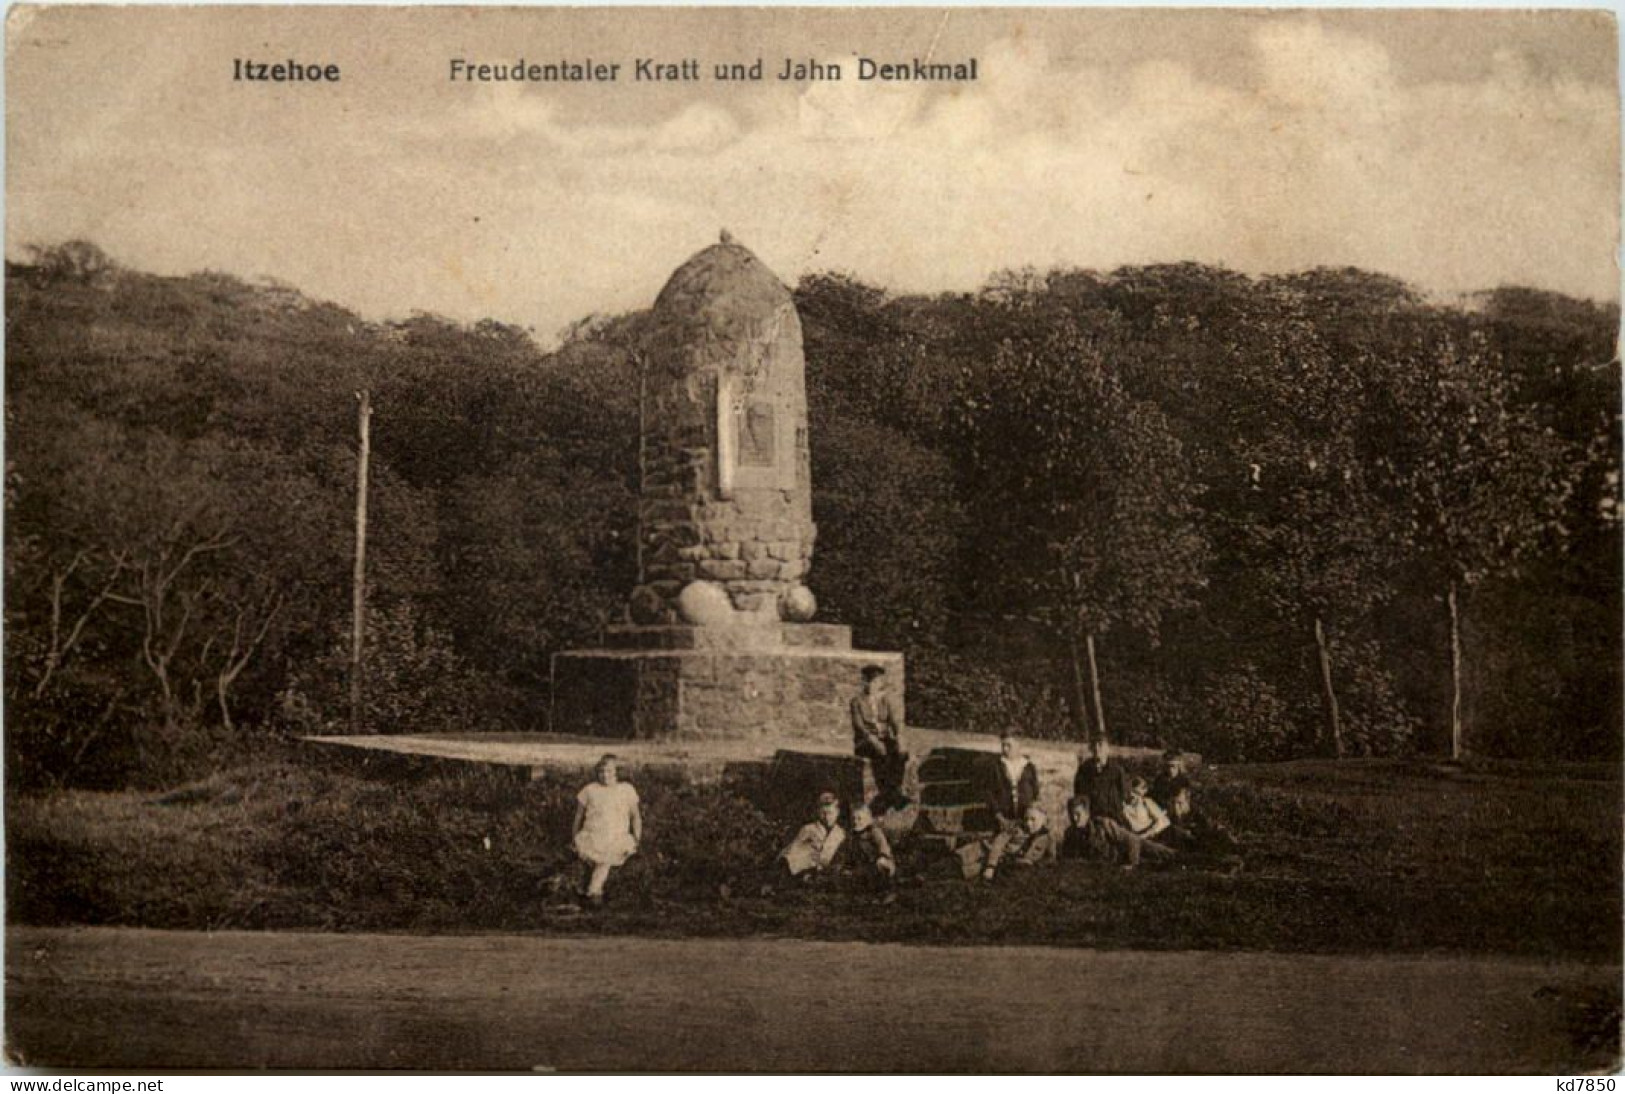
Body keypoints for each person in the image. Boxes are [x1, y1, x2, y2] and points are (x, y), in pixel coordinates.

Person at [572, 754, 642, 905]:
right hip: (593, 835)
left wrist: (637, 838)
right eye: (601, 772)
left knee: (606, 858)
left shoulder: (626, 789)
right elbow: (578, 817)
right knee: (596, 858)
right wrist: (575, 837)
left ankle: (593, 892)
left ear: (616, 772)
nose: (605, 775)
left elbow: (635, 816)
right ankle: (593, 892)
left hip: (617, 836)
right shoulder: (590, 790)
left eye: (609, 771)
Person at [1152, 750, 1240, 856]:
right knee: (1185, 832)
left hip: (1184, 807)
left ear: (1179, 766)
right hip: (1168, 811)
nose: (1170, 770)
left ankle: (1228, 841)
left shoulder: (1183, 780)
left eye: (1173, 766)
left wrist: (1183, 803)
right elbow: (1157, 799)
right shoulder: (1160, 781)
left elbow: (1186, 797)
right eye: (1168, 766)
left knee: (1205, 822)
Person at [1058, 795, 1175, 871]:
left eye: (1078, 814)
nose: (1074, 818)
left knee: (1166, 856)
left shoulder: (1103, 825)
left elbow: (1132, 840)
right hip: (1110, 866)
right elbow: (1068, 858)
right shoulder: (1070, 834)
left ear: (1087, 814)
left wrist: (1131, 864)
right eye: (1071, 814)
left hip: (1132, 851)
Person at [851, 665, 909, 812]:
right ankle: (893, 796)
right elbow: (860, 727)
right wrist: (874, 741)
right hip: (865, 741)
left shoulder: (885, 700)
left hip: (884, 738)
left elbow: (895, 722)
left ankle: (890, 794)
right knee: (881, 754)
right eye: (873, 682)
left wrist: (900, 738)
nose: (876, 686)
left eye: (878, 682)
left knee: (901, 754)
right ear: (865, 683)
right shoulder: (857, 701)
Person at [959, 803, 1056, 881]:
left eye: (1033, 819)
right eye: (1026, 819)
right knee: (958, 859)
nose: (1028, 823)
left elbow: (1051, 858)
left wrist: (1033, 863)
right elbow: (998, 843)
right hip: (985, 849)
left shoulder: (1048, 838)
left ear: (1043, 820)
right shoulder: (1015, 827)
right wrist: (991, 866)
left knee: (964, 872)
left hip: (1004, 862)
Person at [778, 792, 847, 882]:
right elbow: (794, 848)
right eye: (823, 813)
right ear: (818, 812)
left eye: (830, 813)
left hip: (829, 870)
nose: (826, 817)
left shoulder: (840, 833)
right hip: (806, 869)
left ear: (837, 813)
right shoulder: (809, 829)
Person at [986, 731, 1040, 828]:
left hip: (1025, 818)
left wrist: (1031, 814)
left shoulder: (1029, 767)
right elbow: (990, 793)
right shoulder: (997, 767)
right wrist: (999, 816)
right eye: (1003, 745)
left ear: (1018, 745)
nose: (1005, 749)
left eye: (1009, 745)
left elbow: (1035, 793)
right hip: (1003, 819)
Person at [1073, 737, 1131, 825]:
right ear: (1090, 748)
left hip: (1113, 818)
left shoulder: (1117, 770)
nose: (1097, 748)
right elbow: (1078, 794)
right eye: (1094, 745)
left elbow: (1124, 794)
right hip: (1091, 818)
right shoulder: (1084, 770)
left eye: (1100, 745)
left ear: (1108, 749)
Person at [842, 804, 897, 893]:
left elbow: (883, 847)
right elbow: (849, 854)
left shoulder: (874, 832)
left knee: (881, 866)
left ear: (868, 819)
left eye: (859, 818)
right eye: (853, 819)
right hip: (863, 866)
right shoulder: (852, 836)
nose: (856, 822)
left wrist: (882, 857)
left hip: (876, 864)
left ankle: (884, 890)